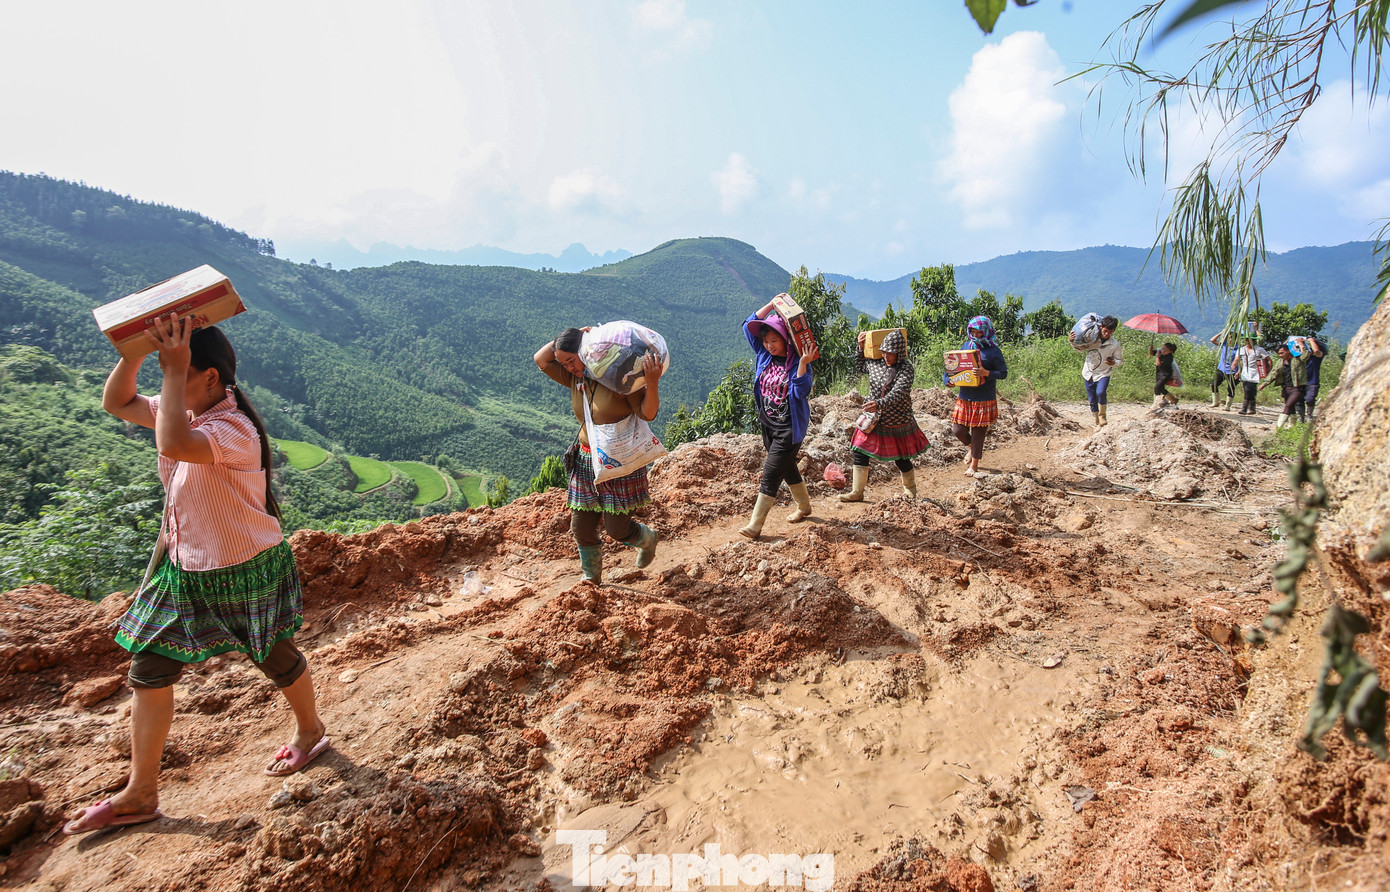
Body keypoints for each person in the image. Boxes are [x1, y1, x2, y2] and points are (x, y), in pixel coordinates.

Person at [66, 317, 328, 835]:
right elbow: (116, 402)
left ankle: (310, 730)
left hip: (242, 565)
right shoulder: (182, 407)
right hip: (186, 565)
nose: (170, 382)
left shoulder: (233, 431)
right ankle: (141, 792)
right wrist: (138, 351)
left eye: (181, 372)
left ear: (210, 377)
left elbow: (173, 445)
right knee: (149, 664)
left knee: (272, 653)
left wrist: (172, 368)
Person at [534, 328, 662, 583]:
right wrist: (576, 335)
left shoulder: (619, 376)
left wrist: (653, 383)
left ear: (586, 353)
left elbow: (648, 414)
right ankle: (590, 578)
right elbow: (541, 358)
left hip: (620, 462)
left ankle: (647, 539)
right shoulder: (574, 378)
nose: (568, 367)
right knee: (580, 527)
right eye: (563, 363)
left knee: (617, 530)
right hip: (586, 460)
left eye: (572, 360)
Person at [740, 299, 817, 538]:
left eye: (774, 340)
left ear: (786, 339)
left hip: (789, 428)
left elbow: (801, 392)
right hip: (769, 425)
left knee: (771, 473)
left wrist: (804, 364)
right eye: (766, 340)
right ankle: (804, 507)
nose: (769, 345)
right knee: (787, 466)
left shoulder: (797, 361)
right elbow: (747, 325)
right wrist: (772, 304)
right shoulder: (764, 356)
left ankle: (755, 525)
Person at [839, 329, 929, 501]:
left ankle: (910, 491)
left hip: (897, 419)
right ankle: (857, 492)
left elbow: (899, 392)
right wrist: (860, 348)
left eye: (891, 354)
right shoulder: (877, 364)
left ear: (899, 353)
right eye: (884, 352)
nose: (887, 356)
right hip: (873, 418)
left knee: (901, 458)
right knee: (860, 451)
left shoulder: (906, 369)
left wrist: (878, 403)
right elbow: (860, 366)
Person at [945, 316, 1008, 477]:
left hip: (984, 398)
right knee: (958, 430)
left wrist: (986, 373)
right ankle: (971, 447)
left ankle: (974, 465)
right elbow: (953, 368)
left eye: (978, 332)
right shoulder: (966, 346)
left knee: (979, 433)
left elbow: (1003, 373)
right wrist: (949, 380)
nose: (975, 335)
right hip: (965, 396)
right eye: (972, 331)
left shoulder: (994, 351)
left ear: (986, 332)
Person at [1070, 315, 1122, 427]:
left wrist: (1114, 363)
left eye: (1110, 332)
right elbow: (1081, 349)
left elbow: (1119, 361)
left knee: (1101, 392)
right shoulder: (1092, 338)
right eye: (1105, 331)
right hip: (1089, 372)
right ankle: (1097, 421)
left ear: (1114, 331)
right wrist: (1072, 342)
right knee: (1092, 399)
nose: (1107, 334)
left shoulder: (1114, 344)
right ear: (1101, 327)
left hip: (1104, 373)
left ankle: (1102, 416)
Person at [1259, 341, 1308, 429]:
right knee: (1291, 407)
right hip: (1286, 388)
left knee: (1288, 405)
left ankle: (1279, 427)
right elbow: (1274, 373)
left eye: (1282, 353)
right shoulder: (1280, 362)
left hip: (1297, 388)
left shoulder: (1297, 359)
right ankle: (1292, 426)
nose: (1280, 355)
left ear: (1288, 351)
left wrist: (1301, 344)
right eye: (1279, 354)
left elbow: (1305, 355)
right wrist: (1264, 384)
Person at [1233, 336, 1268, 416]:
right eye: (1247, 340)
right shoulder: (1242, 349)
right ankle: (1252, 408)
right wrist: (1237, 370)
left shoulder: (1259, 350)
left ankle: (1244, 408)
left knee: (1248, 389)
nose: (1248, 342)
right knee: (1249, 389)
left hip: (1255, 371)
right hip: (1245, 371)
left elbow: (1268, 360)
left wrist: (1267, 371)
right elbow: (1239, 361)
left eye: (1250, 340)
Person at [1209, 330, 1240, 410]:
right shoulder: (1224, 345)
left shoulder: (1238, 349)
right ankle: (1215, 402)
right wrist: (1222, 333)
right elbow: (1212, 340)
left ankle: (1228, 406)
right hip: (1222, 370)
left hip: (1233, 371)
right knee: (1214, 384)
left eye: (1232, 338)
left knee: (1231, 389)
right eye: (1229, 338)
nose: (1230, 340)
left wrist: (1239, 372)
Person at [1300, 335, 1327, 420]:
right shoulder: (1300, 357)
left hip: (1312, 381)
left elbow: (1316, 351)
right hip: (1300, 381)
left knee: (1310, 399)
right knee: (1299, 400)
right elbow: (1285, 349)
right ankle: (1301, 416)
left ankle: (1309, 414)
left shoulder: (1317, 357)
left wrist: (1311, 341)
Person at [1148, 342, 1179, 412]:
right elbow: (1152, 353)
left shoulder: (1169, 357)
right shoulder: (1160, 352)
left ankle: (1155, 403)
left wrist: (1158, 356)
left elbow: (1158, 364)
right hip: (1159, 373)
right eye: (1162, 348)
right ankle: (1173, 399)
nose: (1163, 351)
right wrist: (1151, 350)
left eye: (1165, 350)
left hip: (1166, 374)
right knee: (1161, 388)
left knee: (1157, 387)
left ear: (1170, 351)